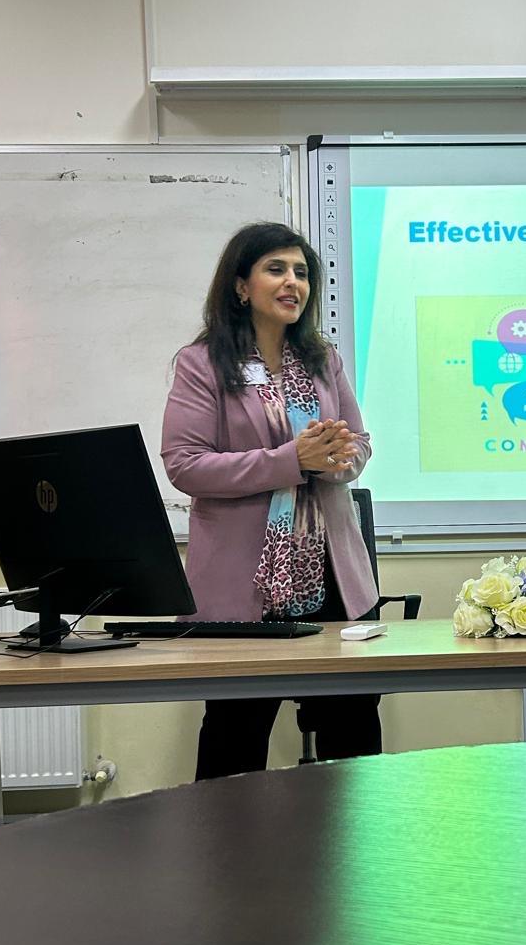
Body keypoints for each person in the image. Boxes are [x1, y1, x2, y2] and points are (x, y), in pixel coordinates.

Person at [161, 222, 381, 777]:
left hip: (332, 577)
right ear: (241, 286)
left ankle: (355, 836)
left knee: (353, 733)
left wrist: (340, 460)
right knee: (235, 738)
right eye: (276, 269)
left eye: (301, 273)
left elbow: (359, 441)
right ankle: (227, 838)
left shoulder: (322, 359)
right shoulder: (203, 363)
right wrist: (291, 461)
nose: (293, 283)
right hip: (244, 585)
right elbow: (185, 464)